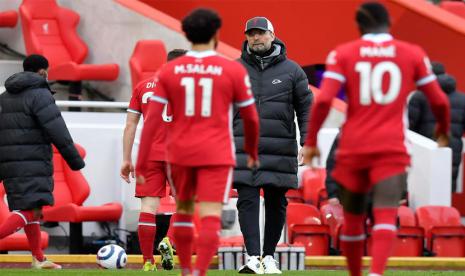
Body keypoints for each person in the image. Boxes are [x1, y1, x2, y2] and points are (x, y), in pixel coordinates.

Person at [302, 2, 450, 276]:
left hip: (353, 147)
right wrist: (442, 128)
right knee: (384, 214)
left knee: (354, 218)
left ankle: (356, 273)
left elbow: (323, 101)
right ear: (389, 23)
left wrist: (310, 142)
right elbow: (439, 100)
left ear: (358, 26)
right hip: (391, 146)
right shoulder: (412, 53)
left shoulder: (344, 53)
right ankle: (376, 273)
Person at [136, 8, 259, 276]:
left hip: (180, 153)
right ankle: (198, 272)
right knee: (210, 215)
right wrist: (251, 150)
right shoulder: (232, 69)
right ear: (216, 33)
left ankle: (186, 270)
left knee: (184, 207)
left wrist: (142, 159)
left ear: (187, 35)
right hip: (217, 153)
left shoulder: (170, 71)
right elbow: (250, 117)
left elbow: (152, 122)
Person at [233, 16, 312, 274]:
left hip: (280, 149)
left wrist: (307, 141)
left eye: (260, 33)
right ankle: (253, 257)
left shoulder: (293, 71)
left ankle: (269, 256)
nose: (255, 38)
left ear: (272, 35)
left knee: (277, 203)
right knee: (247, 200)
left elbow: (306, 109)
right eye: (251, 34)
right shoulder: (234, 70)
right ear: (246, 38)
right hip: (243, 147)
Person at [0, 54, 85, 269]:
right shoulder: (40, 94)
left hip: (10, 161)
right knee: (29, 210)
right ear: (42, 71)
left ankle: (38, 258)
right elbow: (57, 129)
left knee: (32, 207)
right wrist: (75, 161)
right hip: (32, 160)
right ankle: (38, 258)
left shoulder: (5, 95)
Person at [120, 49, 187, 271]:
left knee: (148, 206)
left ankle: (147, 262)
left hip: (149, 154)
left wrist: (126, 158)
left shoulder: (143, 87)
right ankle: (168, 240)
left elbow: (130, 125)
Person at [409, 67, 465, 193]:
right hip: (452, 148)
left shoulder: (419, 97)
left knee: (423, 188)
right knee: (447, 188)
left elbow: (409, 126)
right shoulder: (463, 99)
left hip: (423, 150)